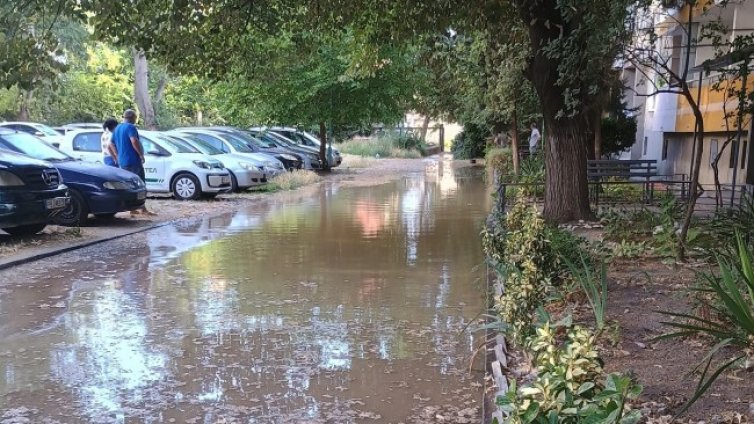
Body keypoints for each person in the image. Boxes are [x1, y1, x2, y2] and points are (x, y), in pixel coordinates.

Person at [112, 109, 155, 216]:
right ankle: (143, 209)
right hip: (133, 161)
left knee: (129, 186)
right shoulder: (131, 127)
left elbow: (111, 144)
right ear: (133, 118)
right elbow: (134, 141)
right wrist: (141, 154)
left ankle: (132, 209)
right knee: (140, 184)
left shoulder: (117, 128)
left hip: (123, 162)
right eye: (136, 118)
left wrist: (117, 156)